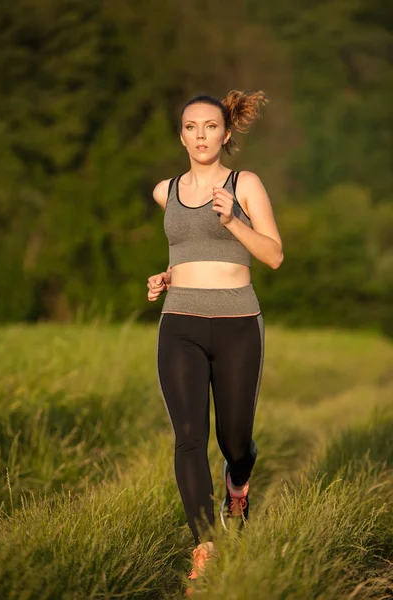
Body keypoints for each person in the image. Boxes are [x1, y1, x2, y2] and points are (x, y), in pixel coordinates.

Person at [147, 90, 283, 596]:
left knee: (233, 439)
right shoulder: (166, 191)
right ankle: (205, 545)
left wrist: (233, 220)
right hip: (179, 320)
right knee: (187, 435)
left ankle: (238, 483)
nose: (200, 135)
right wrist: (165, 276)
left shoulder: (244, 183)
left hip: (237, 323)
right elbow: (186, 250)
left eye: (210, 126)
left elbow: (273, 256)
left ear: (226, 134)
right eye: (191, 126)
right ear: (181, 135)